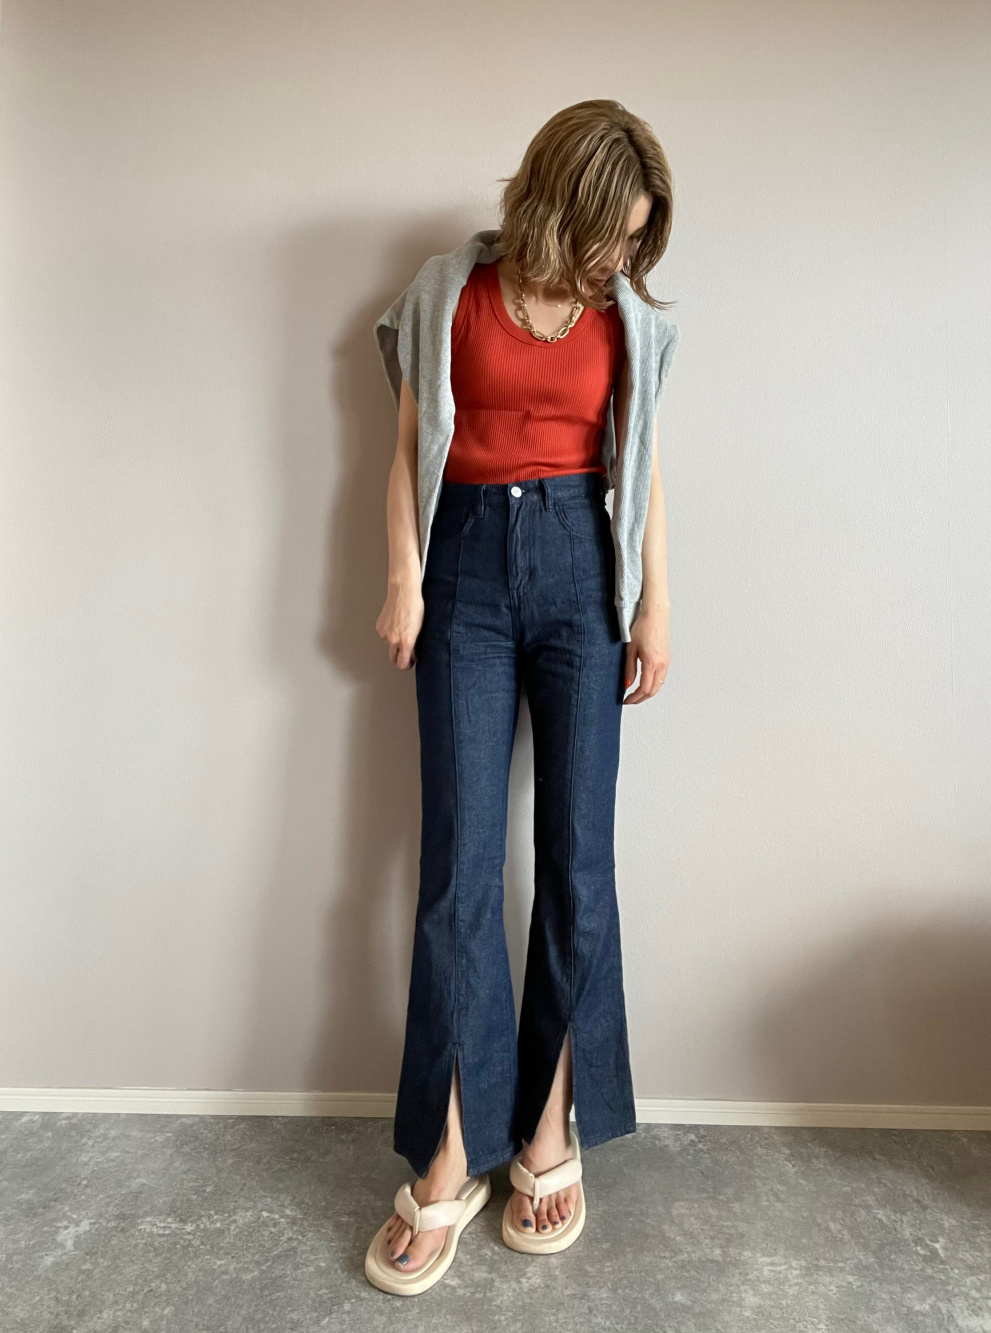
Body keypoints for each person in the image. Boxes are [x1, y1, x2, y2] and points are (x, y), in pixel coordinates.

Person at [365, 99, 679, 1295]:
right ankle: (453, 1149)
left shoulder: (625, 317)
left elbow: (643, 461)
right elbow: (408, 447)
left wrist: (656, 603)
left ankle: (549, 1125)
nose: (622, 257)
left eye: (637, 239)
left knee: (577, 861)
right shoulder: (451, 292)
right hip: (465, 575)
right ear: (561, 202)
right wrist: (404, 577)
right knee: (458, 866)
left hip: (582, 573)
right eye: (613, 232)